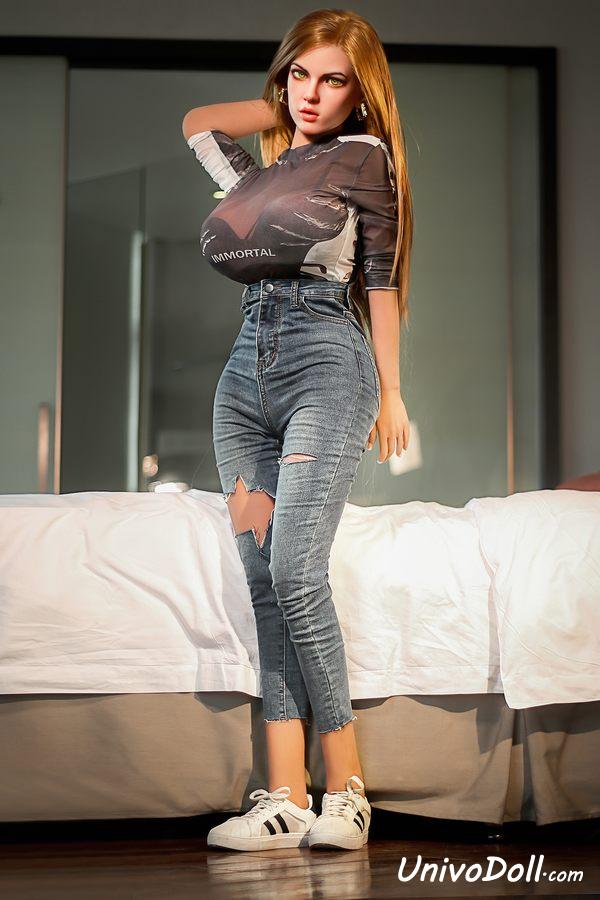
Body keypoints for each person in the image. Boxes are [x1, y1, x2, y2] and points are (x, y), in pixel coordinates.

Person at [182, 8, 413, 852]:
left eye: (333, 80)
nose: (312, 94)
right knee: (262, 578)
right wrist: (279, 108)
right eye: (299, 75)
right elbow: (198, 124)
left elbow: (380, 282)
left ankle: (346, 790)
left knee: (294, 567)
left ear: (361, 92)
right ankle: (283, 797)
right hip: (244, 373)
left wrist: (392, 392)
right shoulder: (263, 174)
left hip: (327, 361)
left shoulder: (367, 159)